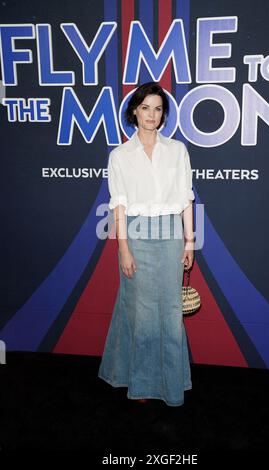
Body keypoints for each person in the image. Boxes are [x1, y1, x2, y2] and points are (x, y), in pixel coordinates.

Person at [98, 81, 195, 407]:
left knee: (169, 313)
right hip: (135, 236)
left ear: (163, 113)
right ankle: (139, 382)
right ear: (134, 112)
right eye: (145, 108)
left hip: (170, 236)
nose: (151, 114)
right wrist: (122, 247)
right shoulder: (121, 155)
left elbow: (185, 200)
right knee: (138, 312)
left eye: (157, 108)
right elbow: (119, 205)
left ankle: (170, 384)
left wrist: (189, 242)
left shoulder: (177, 150)